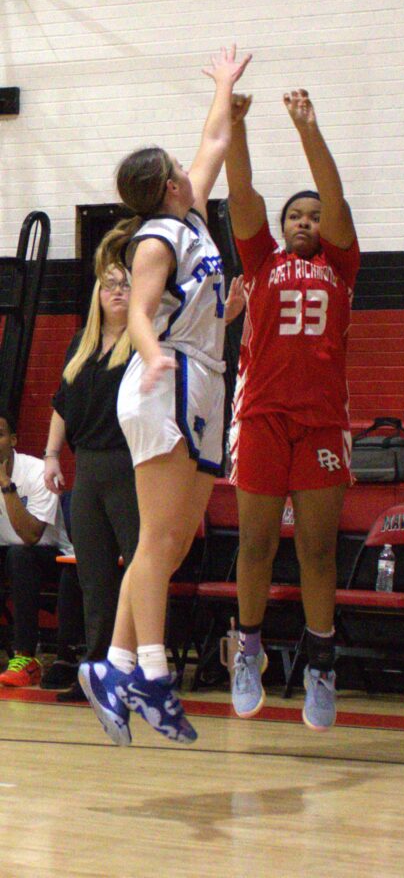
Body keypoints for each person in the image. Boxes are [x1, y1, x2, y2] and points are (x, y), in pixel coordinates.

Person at [78, 43, 252, 747]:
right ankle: (150, 673)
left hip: (198, 374)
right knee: (157, 540)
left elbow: (215, 138)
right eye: (180, 167)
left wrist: (224, 84)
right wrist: (152, 361)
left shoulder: (193, 220)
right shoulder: (155, 239)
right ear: (169, 184)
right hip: (165, 381)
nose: (191, 165)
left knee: (171, 542)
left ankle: (113, 666)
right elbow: (140, 314)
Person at [224, 88, 360, 731]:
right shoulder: (259, 262)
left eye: (314, 215)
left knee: (317, 550)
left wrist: (310, 128)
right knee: (254, 543)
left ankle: (321, 666)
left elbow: (334, 199)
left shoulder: (342, 264)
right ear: (281, 229)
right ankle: (247, 649)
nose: (307, 221)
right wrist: (236, 127)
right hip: (262, 418)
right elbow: (243, 192)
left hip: (323, 422)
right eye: (295, 216)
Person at [43, 263, 140, 700]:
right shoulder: (79, 346)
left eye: (126, 284)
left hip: (133, 467)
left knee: (140, 572)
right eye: (110, 285)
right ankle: (99, 673)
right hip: (88, 468)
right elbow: (61, 404)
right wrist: (50, 455)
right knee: (94, 578)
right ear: (98, 295)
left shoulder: (144, 343)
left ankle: (138, 672)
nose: (118, 291)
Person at [0, 409, 74, 686]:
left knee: (21, 556)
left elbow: (31, 536)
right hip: (8, 554)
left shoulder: (37, 472)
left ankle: (26, 657)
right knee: (15, 557)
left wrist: (6, 485)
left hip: (52, 558)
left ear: (14, 440)